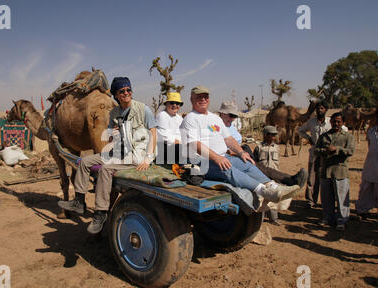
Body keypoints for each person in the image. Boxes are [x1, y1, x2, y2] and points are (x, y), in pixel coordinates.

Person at [58, 77, 157, 234]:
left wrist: (148, 158)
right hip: (118, 152)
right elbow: (110, 139)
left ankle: (101, 213)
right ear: (116, 95)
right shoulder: (114, 113)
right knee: (84, 161)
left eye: (128, 90)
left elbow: (153, 132)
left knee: (106, 170)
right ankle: (79, 201)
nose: (126, 93)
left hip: (136, 155)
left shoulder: (143, 109)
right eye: (122, 91)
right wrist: (113, 134)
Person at [180, 85, 300, 203]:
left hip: (223, 156)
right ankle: (264, 191)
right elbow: (194, 144)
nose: (203, 99)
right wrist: (216, 158)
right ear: (192, 99)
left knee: (246, 163)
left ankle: (273, 186)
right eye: (199, 97)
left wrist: (241, 152)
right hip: (202, 162)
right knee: (226, 168)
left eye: (205, 97)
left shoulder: (215, 118)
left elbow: (228, 139)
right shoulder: (190, 119)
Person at [218, 102, 307, 188]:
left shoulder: (230, 125)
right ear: (221, 114)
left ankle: (288, 180)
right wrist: (235, 152)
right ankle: (289, 180)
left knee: (261, 166)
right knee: (260, 168)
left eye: (235, 116)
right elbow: (217, 147)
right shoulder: (216, 127)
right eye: (231, 115)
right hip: (230, 157)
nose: (233, 118)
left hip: (241, 152)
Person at [314, 112, 354, 231]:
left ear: (343, 123)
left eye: (339, 122)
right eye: (334, 121)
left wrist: (336, 149)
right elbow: (316, 150)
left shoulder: (347, 136)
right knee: (326, 198)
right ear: (330, 122)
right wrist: (324, 151)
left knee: (342, 198)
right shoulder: (324, 136)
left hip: (340, 171)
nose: (336, 124)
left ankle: (342, 220)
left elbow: (350, 151)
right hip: (326, 170)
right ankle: (327, 218)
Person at [298, 101, 333, 208]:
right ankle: (311, 200)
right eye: (318, 108)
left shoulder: (330, 122)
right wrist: (309, 139)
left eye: (322, 108)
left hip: (327, 155)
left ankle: (326, 201)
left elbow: (342, 130)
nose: (319, 110)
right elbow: (300, 130)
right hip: (314, 153)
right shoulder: (311, 122)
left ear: (326, 110)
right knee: (312, 179)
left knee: (327, 178)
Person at [355, 107, 378, 220]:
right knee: (366, 188)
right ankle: (362, 210)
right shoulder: (371, 131)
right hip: (371, 163)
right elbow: (371, 147)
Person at [155, 91, 184, 165]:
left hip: (178, 145)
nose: (175, 105)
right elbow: (165, 137)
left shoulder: (179, 118)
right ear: (166, 104)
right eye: (172, 103)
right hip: (164, 147)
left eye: (177, 103)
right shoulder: (162, 115)